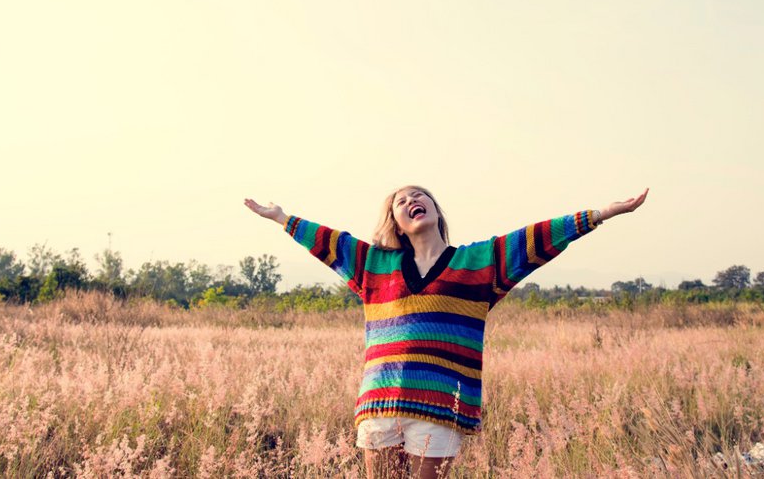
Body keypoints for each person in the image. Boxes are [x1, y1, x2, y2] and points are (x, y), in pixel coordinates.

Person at [245, 186, 648, 478]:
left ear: (436, 209)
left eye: (420, 196)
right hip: (381, 403)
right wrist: (282, 219)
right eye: (401, 201)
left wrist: (599, 214)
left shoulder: (479, 262)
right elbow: (330, 242)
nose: (411, 201)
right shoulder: (373, 265)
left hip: (440, 408)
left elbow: (535, 239)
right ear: (397, 224)